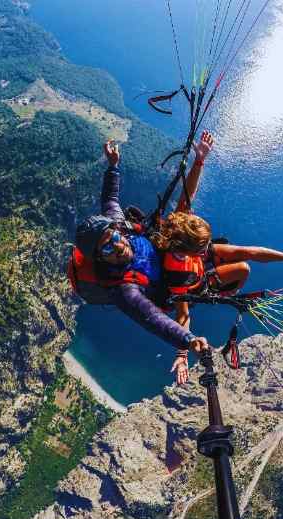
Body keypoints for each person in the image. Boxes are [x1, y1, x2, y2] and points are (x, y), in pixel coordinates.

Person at [150, 131, 283, 384]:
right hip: (197, 282)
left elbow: (188, 194)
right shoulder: (176, 274)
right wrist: (182, 352)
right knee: (243, 270)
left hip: (196, 265)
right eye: (203, 246)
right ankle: (220, 295)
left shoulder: (179, 225)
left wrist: (200, 159)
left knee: (242, 252)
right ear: (191, 250)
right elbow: (182, 315)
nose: (208, 247)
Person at [69, 139, 212, 368]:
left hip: (156, 253)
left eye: (115, 238)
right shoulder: (124, 289)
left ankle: (200, 161)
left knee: (181, 215)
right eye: (107, 247)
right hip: (162, 280)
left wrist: (113, 165)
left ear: (116, 230)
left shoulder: (118, 225)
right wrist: (189, 341)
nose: (117, 245)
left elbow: (110, 199)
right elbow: (153, 319)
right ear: (99, 257)